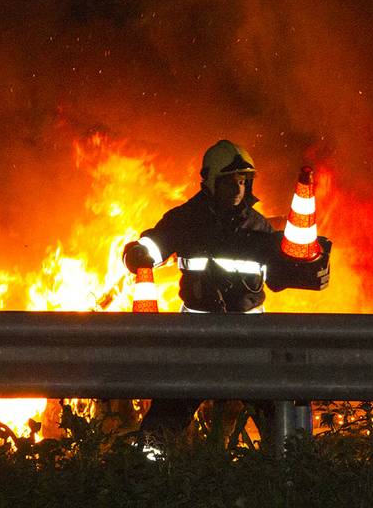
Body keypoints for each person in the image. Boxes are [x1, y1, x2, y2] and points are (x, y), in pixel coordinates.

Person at [122, 139, 331, 441]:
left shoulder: (258, 228)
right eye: (229, 182)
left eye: (243, 181)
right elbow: (155, 243)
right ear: (209, 182)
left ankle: (289, 472)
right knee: (165, 419)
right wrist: (137, 254)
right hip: (197, 341)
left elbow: (280, 274)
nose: (238, 190)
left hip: (249, 342)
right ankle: (148, 475)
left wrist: (308, 269)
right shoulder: (185, 220)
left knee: (278, 414)